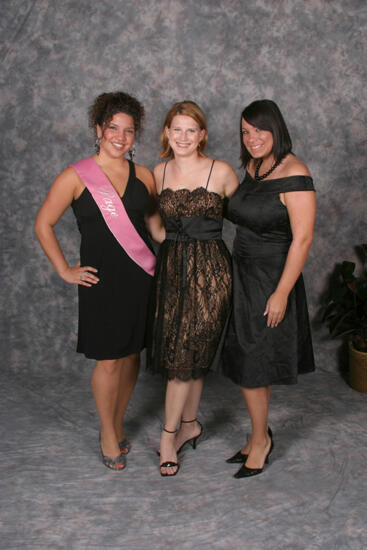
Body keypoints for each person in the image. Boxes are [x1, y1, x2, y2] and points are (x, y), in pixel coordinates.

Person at [34, 92, 164, 471]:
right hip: (101, 282)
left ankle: (119, 420)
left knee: (131, 356)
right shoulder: (76, 176)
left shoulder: (144, 176)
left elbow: (155, 229)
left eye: (128, 130)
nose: (120, 137)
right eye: (113, 129)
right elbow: (43, 223)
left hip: (141, 280)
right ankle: (108, 431)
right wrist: (64, 269)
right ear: (98, 129)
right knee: (108, 361)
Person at [222, 99, 316, 478]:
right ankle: (257, 434)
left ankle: (260, 440)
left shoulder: (296, 172)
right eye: (246, 131)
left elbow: (304, 239)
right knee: (251, 361)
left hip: (272, 278)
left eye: (259, 130)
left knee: (252, 363)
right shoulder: (253, 166)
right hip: (241, 272)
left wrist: (281, 292)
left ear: (275, 128)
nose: (252, 138)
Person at [146, 100, 239, 476]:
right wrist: (173, 241)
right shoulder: (159, 171)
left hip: (212, 274)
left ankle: (168, 437)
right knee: (183, 352)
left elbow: (251, 219)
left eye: (191, 130)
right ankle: (189, 425)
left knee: (189, 354)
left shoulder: (222, 171)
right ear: (167, 132)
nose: (183, 136)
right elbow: (154, 223)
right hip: (172, 270)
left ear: (202, 134)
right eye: (176, 129)